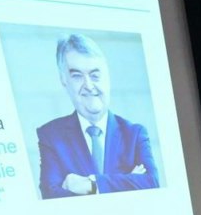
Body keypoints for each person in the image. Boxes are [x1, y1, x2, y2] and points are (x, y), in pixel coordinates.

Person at [35, 33, 157, 199]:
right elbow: (51, 194)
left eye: (95, 75)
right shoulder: (50, 135)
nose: (89, 86)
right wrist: (128, 181)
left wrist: (91, 185)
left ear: (107, 77)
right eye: (77, 76)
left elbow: (151, 182)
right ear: (64, 80)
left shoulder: (134, 134)